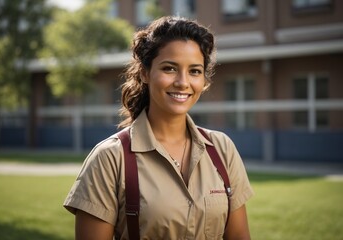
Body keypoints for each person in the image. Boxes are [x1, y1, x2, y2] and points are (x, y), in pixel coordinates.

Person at [64, 16, 254, 240]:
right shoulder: (110, 158)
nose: (183, 82)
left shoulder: (222, 149)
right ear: (145, 73)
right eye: (170, 68)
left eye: (194, 71)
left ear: (204, 80)